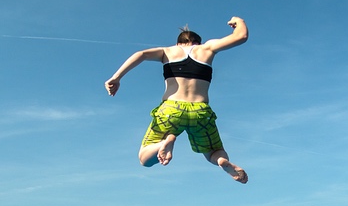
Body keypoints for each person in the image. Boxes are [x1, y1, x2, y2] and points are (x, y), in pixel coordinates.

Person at [105, 18, 250, 183]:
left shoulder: (167, 51)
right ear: (197, 42)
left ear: (179, 43)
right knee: (213, 152)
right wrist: (239, 21)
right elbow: (241, 36)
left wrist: (116, 78)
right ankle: (221, 162)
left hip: (171, 109)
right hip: (201, 111)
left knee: (144, 159)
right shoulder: (207, 48)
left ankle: (165, 142)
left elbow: (141, 55)